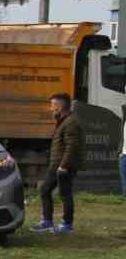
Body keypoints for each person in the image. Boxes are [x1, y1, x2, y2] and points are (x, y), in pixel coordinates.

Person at [33, 92, 82, 233]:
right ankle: (47, 221)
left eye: (53, 105)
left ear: (60, 106)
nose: (51, 108)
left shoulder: (71, 122)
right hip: (57, 164)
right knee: (45, 190)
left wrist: (63, 166)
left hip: (62, 166)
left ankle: (67, 225)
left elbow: (72, 146)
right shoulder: (64, 120)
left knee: (64, 193)